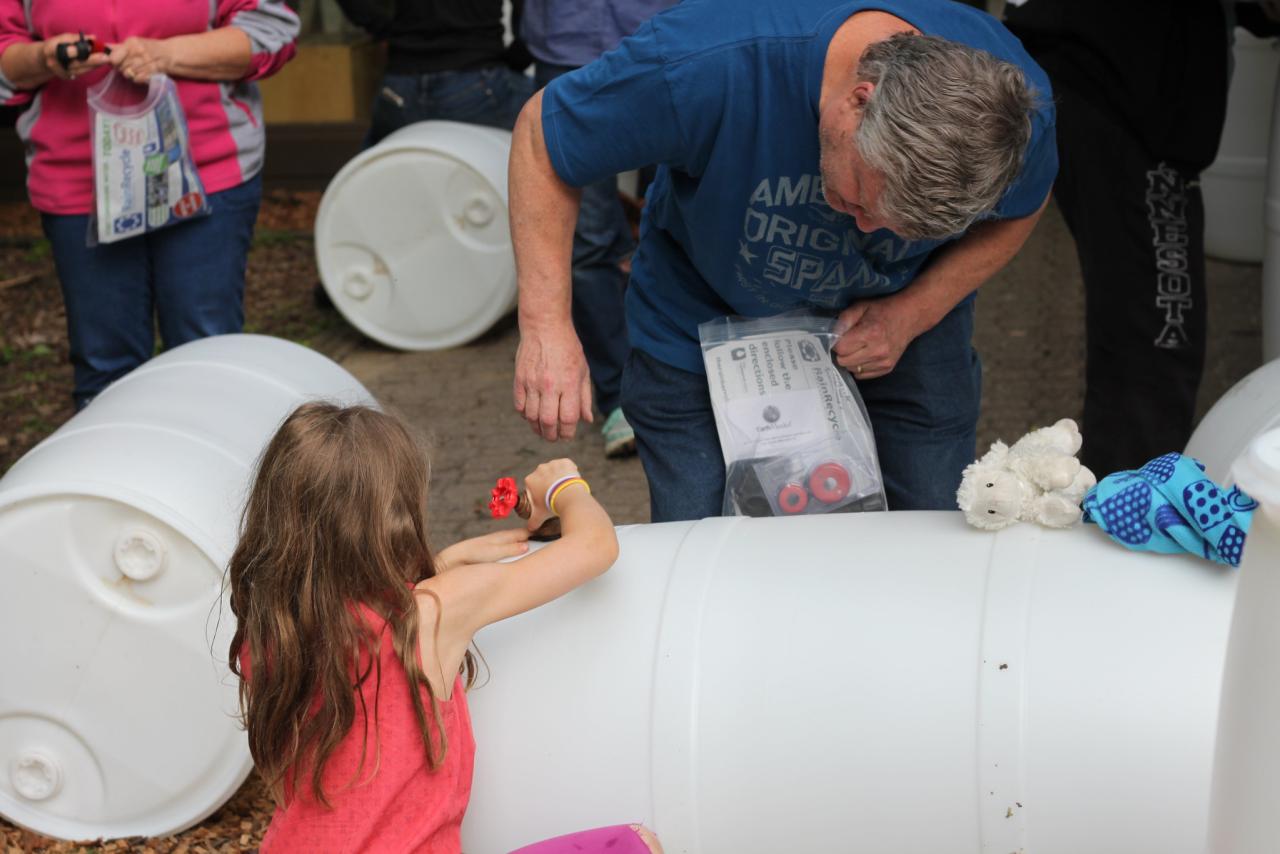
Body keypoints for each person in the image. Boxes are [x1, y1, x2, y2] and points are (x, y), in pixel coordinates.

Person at [508, 0, 1057, 522]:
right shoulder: (704, 61)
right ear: (858, 99)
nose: (865, 228)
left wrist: (916, 310)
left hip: (899, 330)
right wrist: (547, 326)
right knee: (701, 540)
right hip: (702, 314)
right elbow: (544, 138)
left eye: (905, 226)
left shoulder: (1008, 110)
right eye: (863, 197)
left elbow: (1022, 208)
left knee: (932, 522)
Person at [226, 402, 662, 854]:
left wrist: (442, 566)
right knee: (633, 844)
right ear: (393, 518)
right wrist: (565, 488)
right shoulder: (433, 615)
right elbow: (595, 546)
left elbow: (344, 612)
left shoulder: (274, 631)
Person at [0, 1, 299, 410]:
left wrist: (164, 54)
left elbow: (271, 31)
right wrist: (44, 57)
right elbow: (5, 51)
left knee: (206, 356)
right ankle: (114, 471)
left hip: (205, 172)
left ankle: (215, 471)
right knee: (105, 372)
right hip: (78, 183)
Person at [1002, 1, 1232, 477]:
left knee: (1147, 341)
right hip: (1123, 90)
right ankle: (1132, 519)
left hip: (1110, 70)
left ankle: (1128, 500)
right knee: (1153, 346)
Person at [521, 0, 677, 458]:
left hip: (665, 41)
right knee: (587, 240)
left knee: (676, 219)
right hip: (565, 48)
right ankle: (619, 398)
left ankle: (688, 380)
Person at [334, 0, 534, 147]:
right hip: (478, 82)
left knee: (376, 159)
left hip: (402, 85)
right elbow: (533, 20)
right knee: (549, 116)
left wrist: (385, 29)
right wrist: (515, 61)